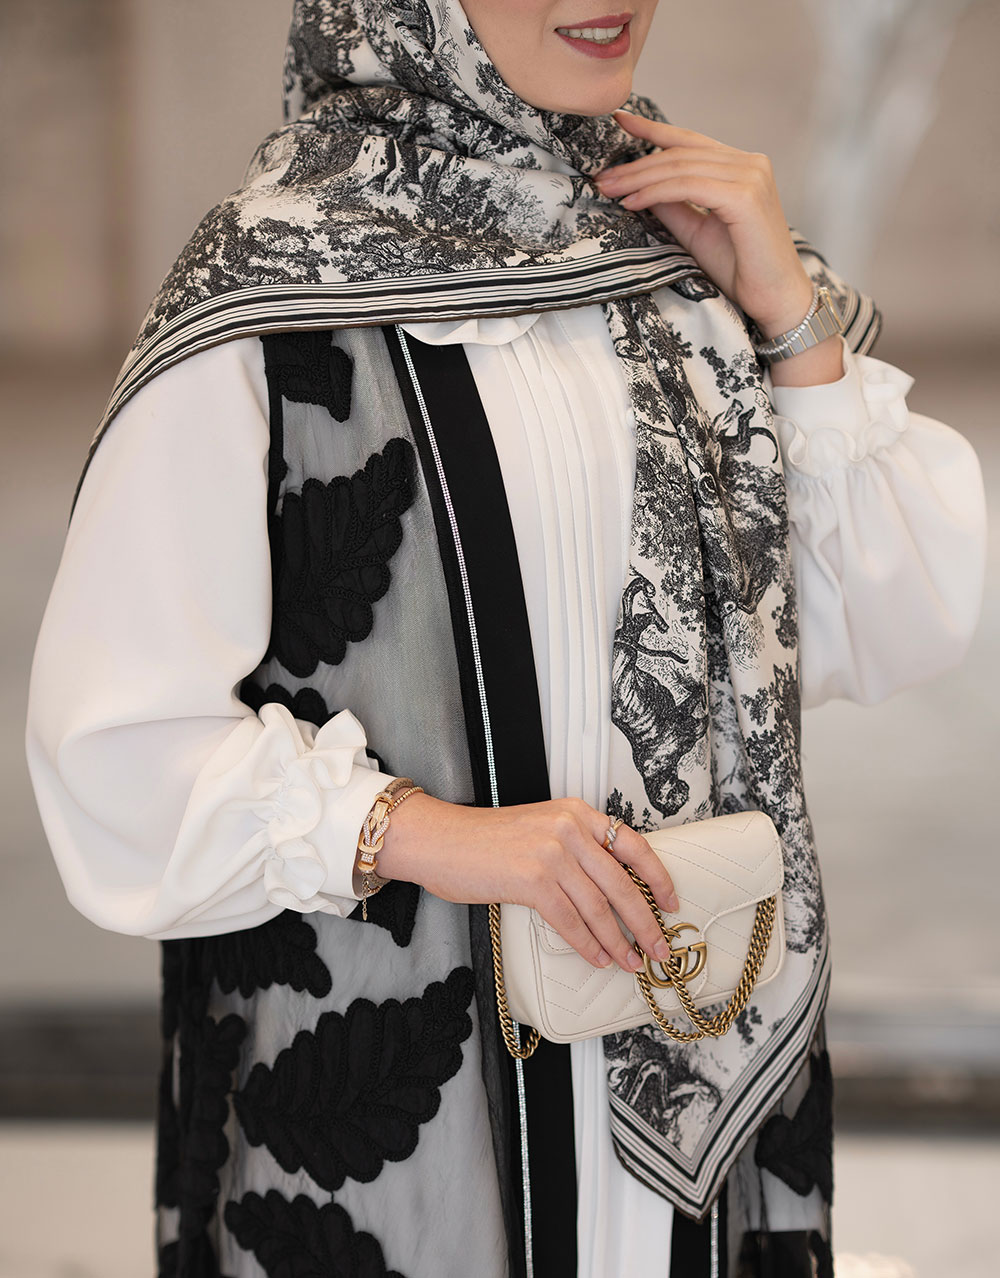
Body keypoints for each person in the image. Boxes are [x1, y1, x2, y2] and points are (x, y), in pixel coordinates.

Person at [25, 3, 986, 1276]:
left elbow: (891, 621)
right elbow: (115, 758)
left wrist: (788, 318)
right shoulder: (271, 294)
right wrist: (445, 837)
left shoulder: (686, 264)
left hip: (699, 1043)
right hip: (398, 1099)